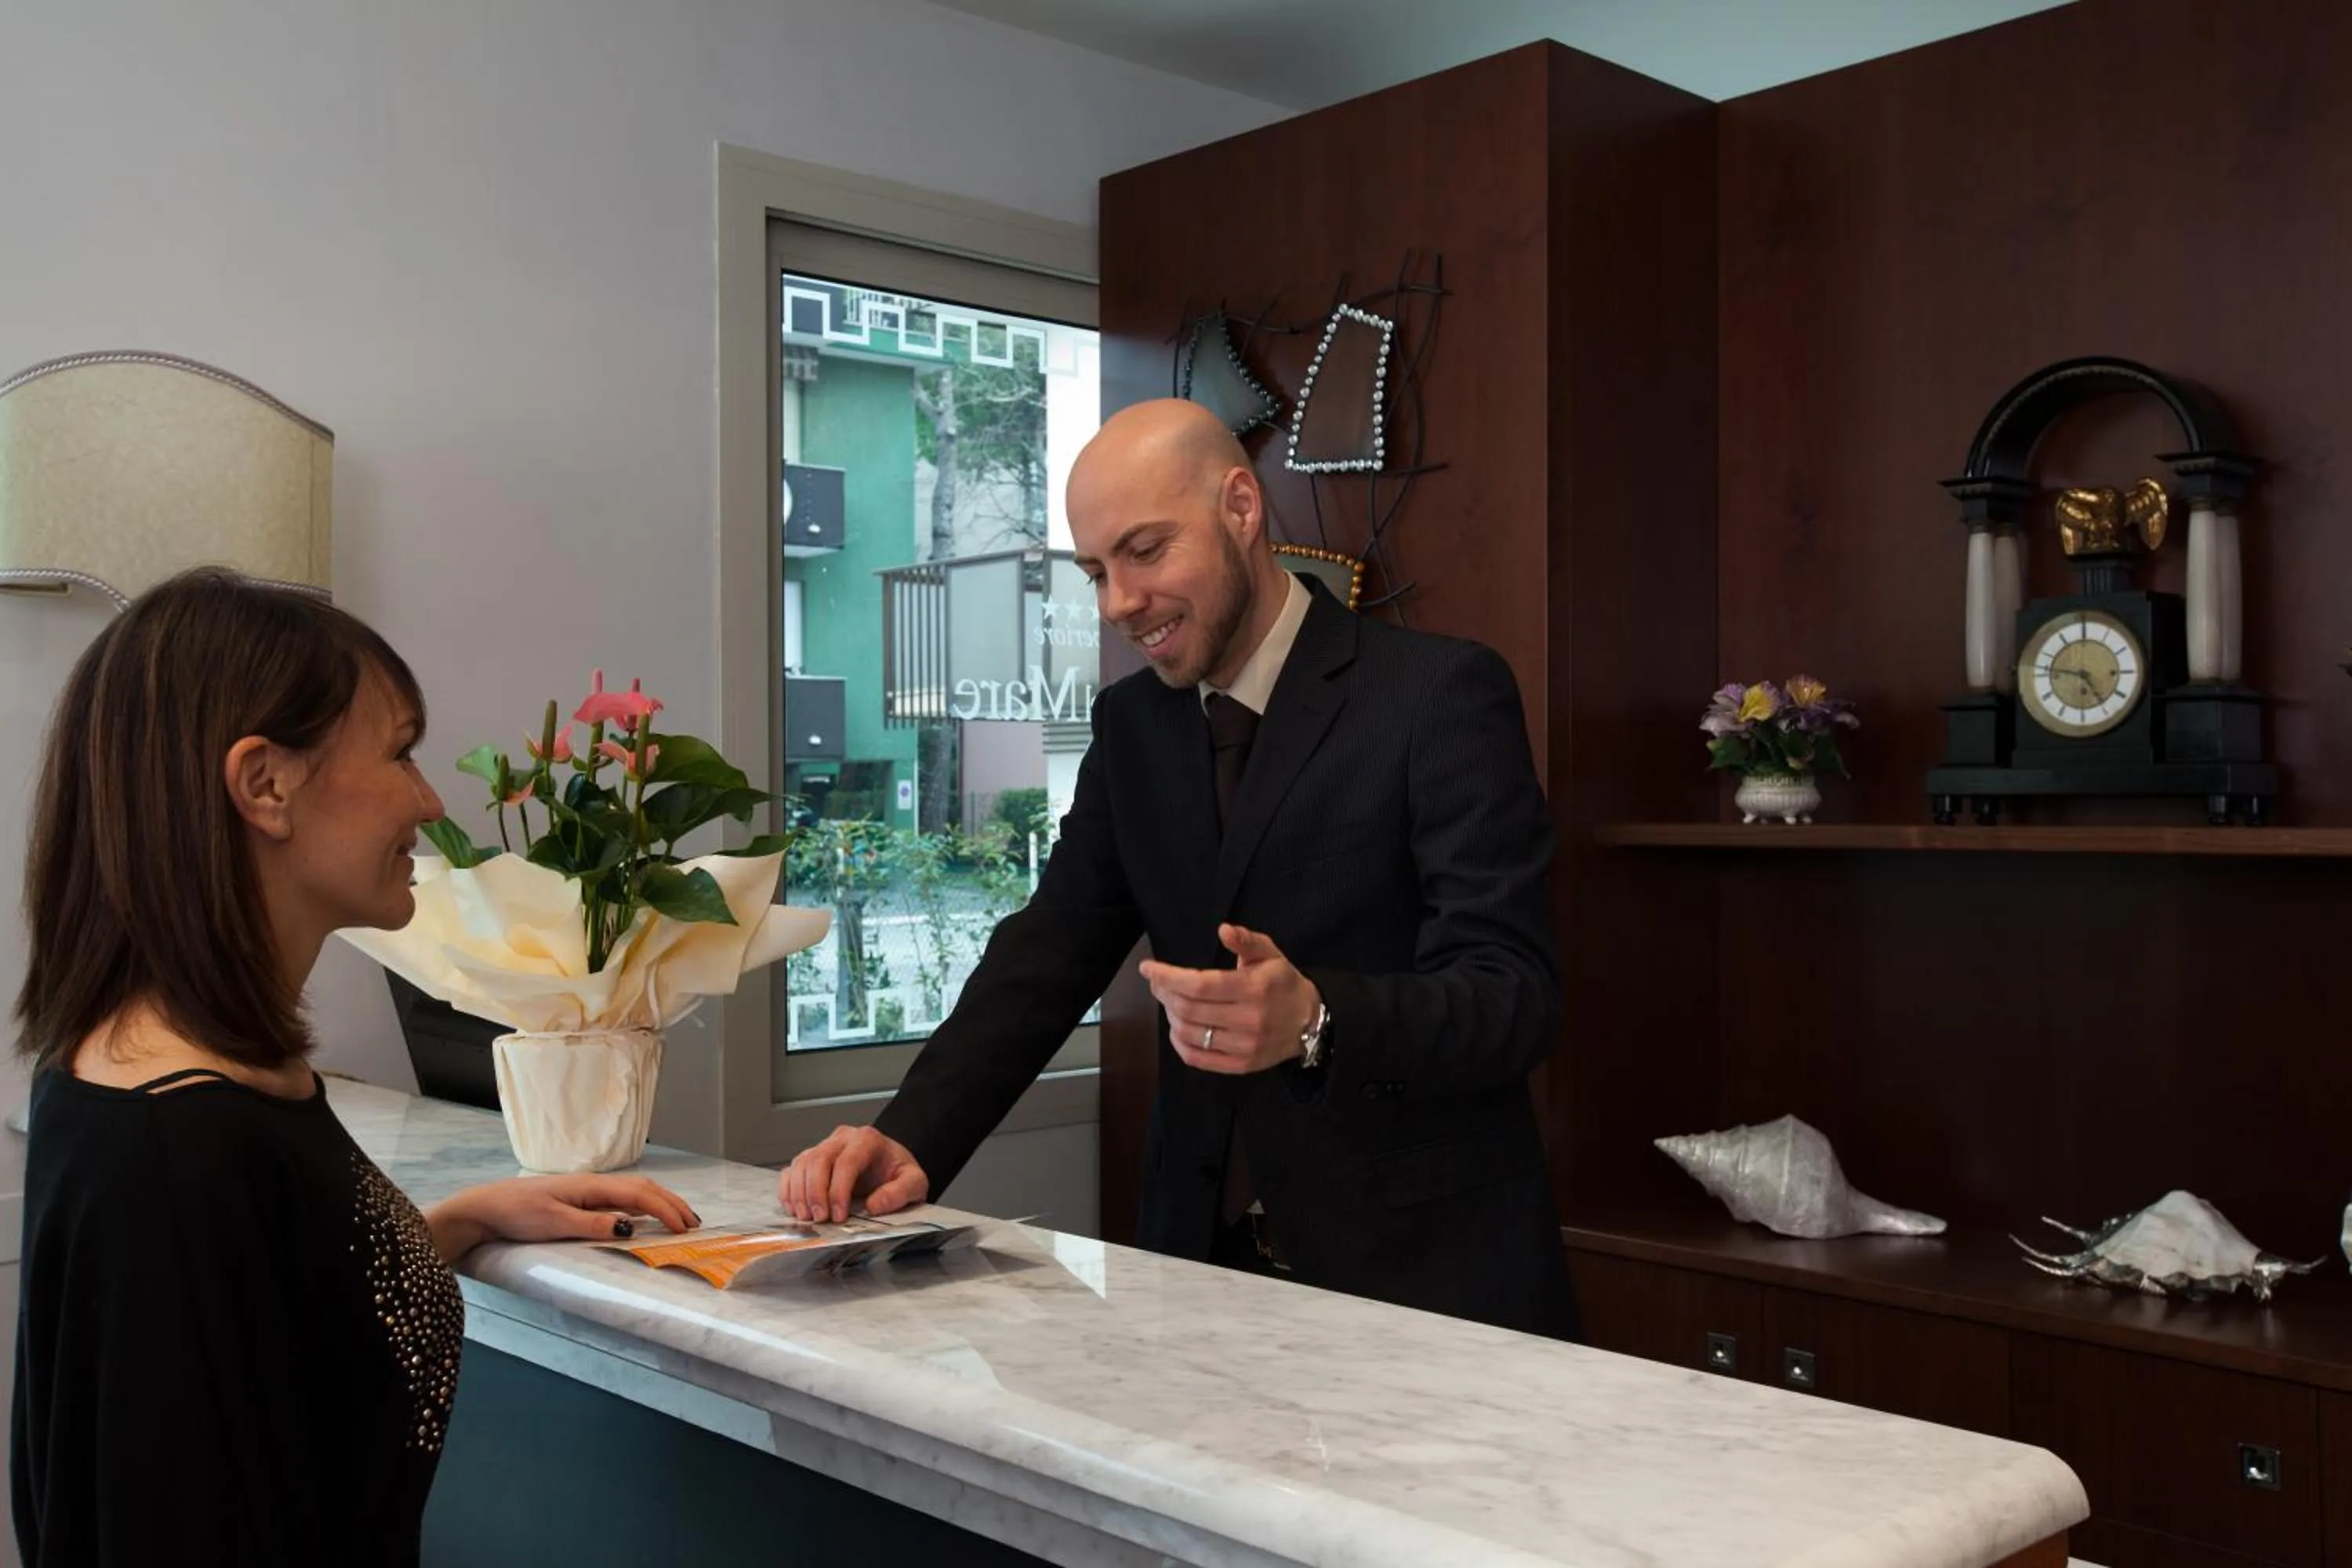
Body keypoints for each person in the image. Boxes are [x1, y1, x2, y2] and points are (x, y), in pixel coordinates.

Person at [781, 399, 1577, 1341]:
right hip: (1198, 1279)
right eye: (1096, 571)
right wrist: (908, 1133)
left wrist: (1319, 1017)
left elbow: (1514, 992)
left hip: (1427, 1281)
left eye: (1146, 551)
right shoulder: (1131, 728)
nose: (1119, 602)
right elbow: (1047, 954)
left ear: (1241, 506)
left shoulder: (1439, 694)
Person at [10, 570, 699, 1567]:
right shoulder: (182, 1144)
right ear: (264, 784)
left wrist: (466, 1217)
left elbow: (268, 1315)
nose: (426, 798)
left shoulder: (151, 1073)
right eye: (400, 751)